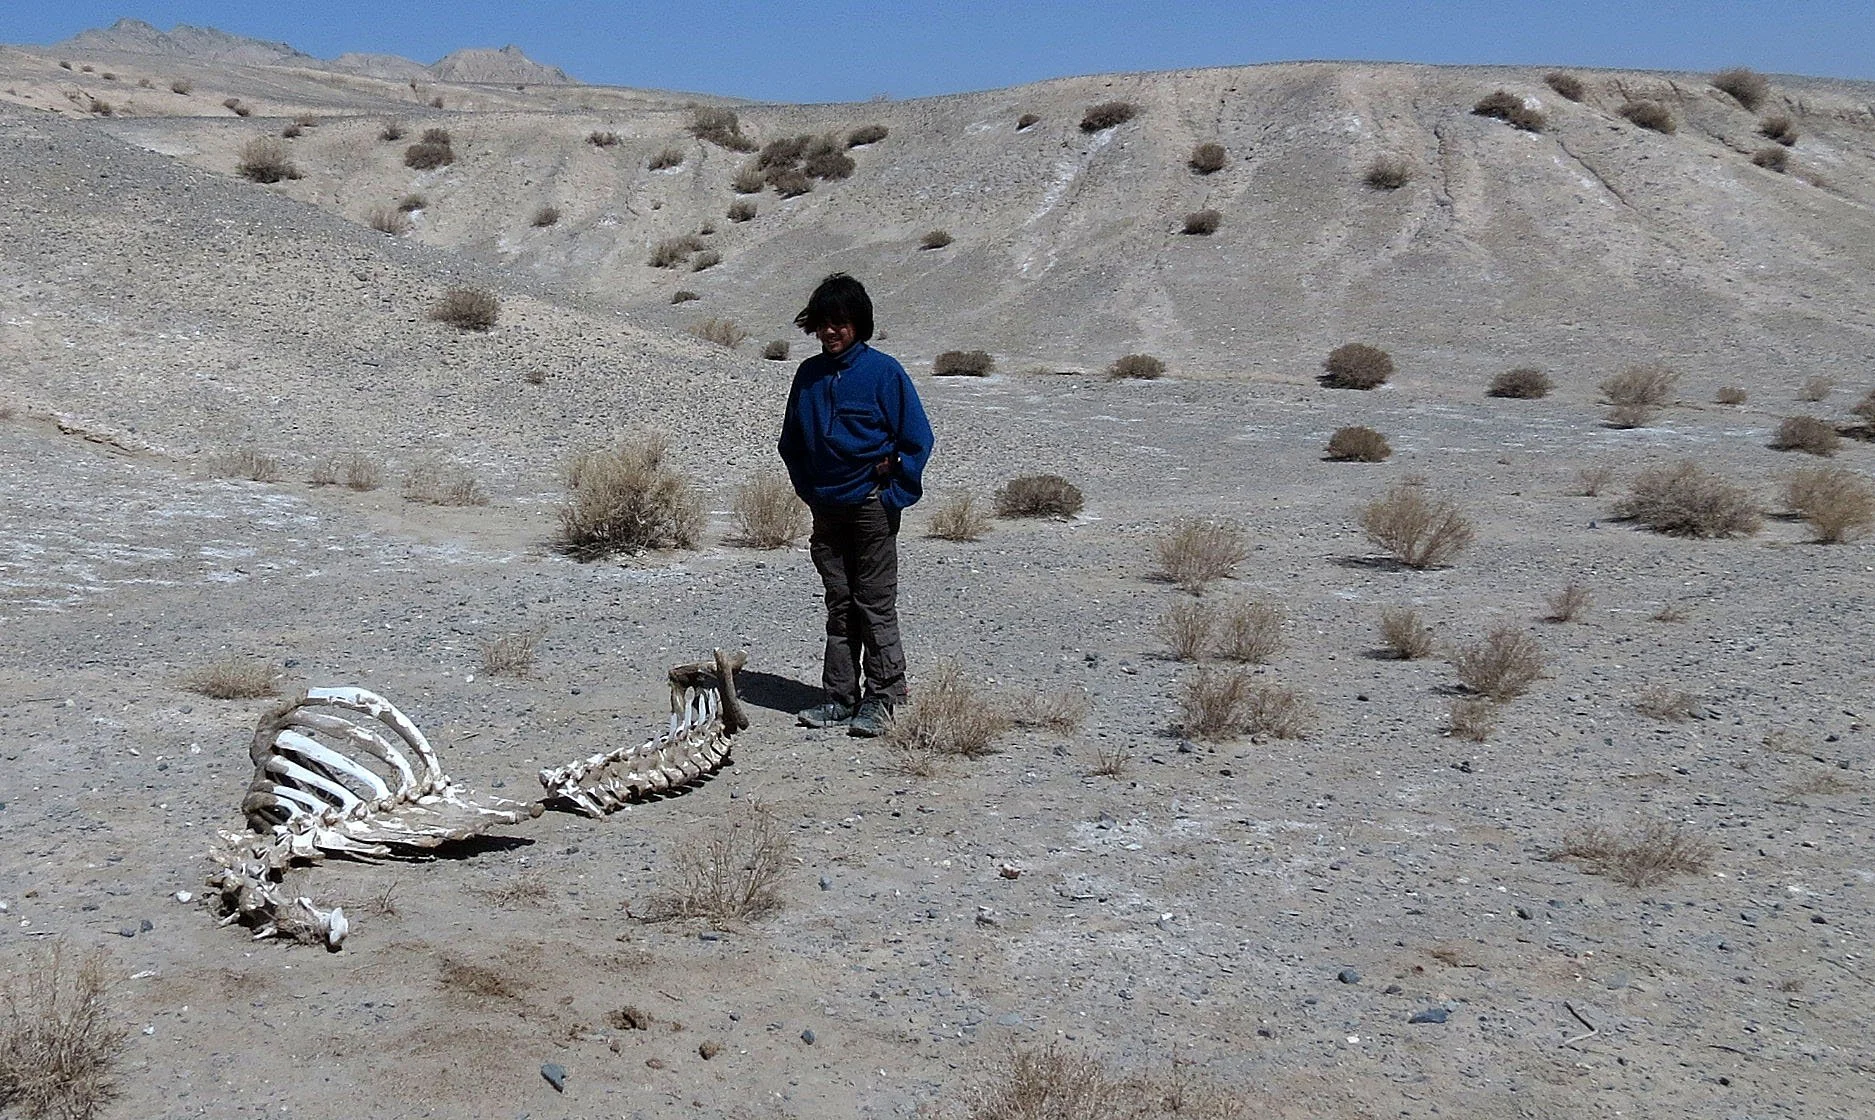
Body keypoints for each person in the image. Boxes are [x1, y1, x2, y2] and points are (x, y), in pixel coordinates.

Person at [778, 273, 933, 737]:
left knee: (874, 603)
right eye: (824, 323)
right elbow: (792, 444)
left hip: (870, 505)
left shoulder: (884, 373)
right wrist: (810, 491)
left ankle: (883, 698)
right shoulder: (808, 376)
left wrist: (894, 493)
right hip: (826, 508)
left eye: (840, 323)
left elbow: (917, 439)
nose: (831, 332)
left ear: (858, 324)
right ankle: (840, 698)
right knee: (840, 604)